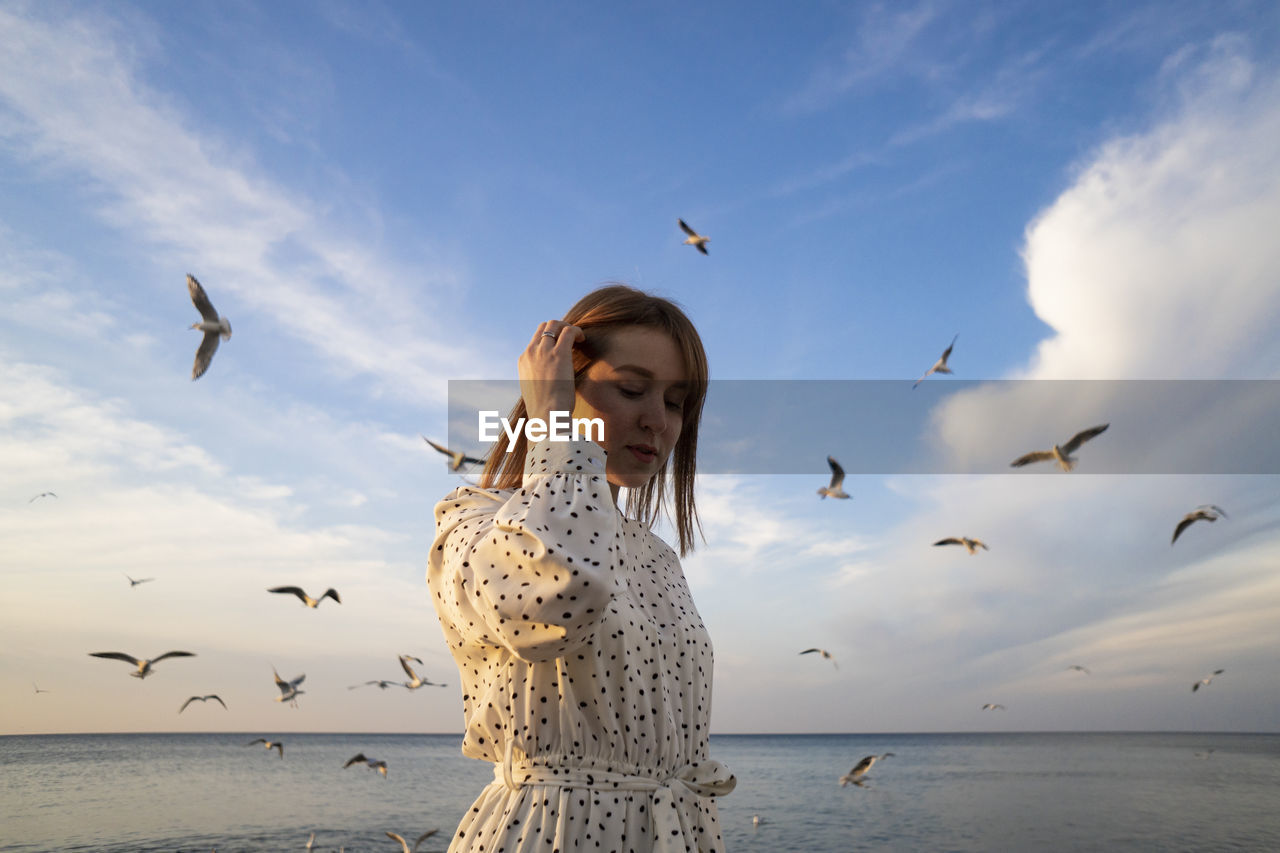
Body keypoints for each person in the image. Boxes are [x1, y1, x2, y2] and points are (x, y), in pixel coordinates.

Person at [427, 284, 735, 853]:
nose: (658, 421)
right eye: (632, 389)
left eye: (674, 402)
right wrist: (553, 429)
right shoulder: (476, 521)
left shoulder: (658, 557)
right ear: (561, 387)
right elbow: (543, 607)